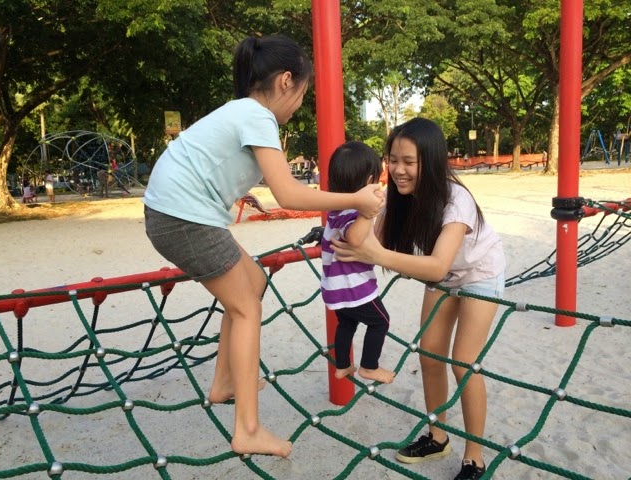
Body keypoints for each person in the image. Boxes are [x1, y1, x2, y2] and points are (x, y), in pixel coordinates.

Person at [142, 35, 384, 459]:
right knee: (246, 308)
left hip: (177, 212)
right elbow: (289, 194)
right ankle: (248, 430)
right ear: (286, 80)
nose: (299, 105)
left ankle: (224, 383)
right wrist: (357, 199)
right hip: (181, 218)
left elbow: (216, 165)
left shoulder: (241, 112)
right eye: (302, 92)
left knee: (253, 282)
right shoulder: (257, 115)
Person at [331, 117, 506, 480]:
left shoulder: (456, 200)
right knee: (429, 355)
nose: (398, 170)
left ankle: (475, 457)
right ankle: (437, 437)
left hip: (479, 274)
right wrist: (340, 227)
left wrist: (375, 254)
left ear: (432, 160)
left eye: (409, 161)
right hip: (441, 277)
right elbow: (371, 240)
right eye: (393, 160)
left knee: (464, 363)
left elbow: (436, 265)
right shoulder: (397, 198)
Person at [320, 141, 395, 384]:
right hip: (353, 288)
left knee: (347, 323)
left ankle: (342, 365)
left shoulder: (336, 209)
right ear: (369, 181)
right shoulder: (353, 212)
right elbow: (353, 237)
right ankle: (369, 367)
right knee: (381, 322)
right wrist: (368, 213)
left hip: (335, 288)